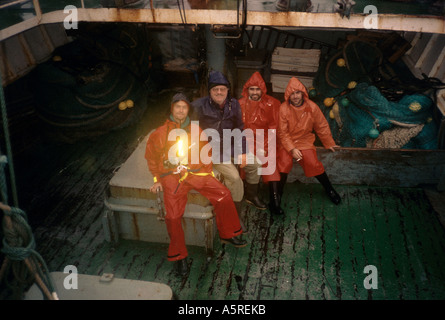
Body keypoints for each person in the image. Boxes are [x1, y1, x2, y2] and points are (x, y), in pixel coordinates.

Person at [145, 92, 247, 276]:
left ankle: (228, 233)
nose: (181, 110)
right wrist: (156, 180)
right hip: (172, 177)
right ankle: (179, 255)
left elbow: (205, 153)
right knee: (173, 216)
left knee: (223, 194)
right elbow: (151, 158)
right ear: (172, 109)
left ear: (187, 111)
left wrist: (207, 171)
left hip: (195, 172)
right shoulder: (159, 134)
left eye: (184, 107)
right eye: (178, 107)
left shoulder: (196, 130)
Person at [191, 71, 266, 218]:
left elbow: (239, 129)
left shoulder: (234, 104)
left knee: (256, 164)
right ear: (210, 91)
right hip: (210, 151)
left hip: (230, 147)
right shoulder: (198, 106)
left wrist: (243, 152)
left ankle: (251, 196)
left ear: (227, 90)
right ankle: (235, 215)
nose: (219, 92)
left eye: (222, 89)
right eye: (215, 89)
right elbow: (190, 132)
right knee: (235, 178)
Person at [277, 77, 341, 205]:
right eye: (292, 93)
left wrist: (329, 143)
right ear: (288, 95)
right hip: (287, 142)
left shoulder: (312, 107)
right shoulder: (283, 108)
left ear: (303, 93)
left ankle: (329, 189)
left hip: (304, 140)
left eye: (298, 93)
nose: (295, 96)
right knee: (283, 164)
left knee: (313, 163)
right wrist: (292, 149)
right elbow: (282, 132)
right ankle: (278, 193)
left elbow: (321, 125)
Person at [238, 71, 285, 215]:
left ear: (262, 90)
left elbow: (273, 128)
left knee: (270, 165)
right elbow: (236, 128)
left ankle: (275, 202)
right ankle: (248, 194)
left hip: (265, 141)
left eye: (257, 89)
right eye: (251, 89)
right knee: (242, 163)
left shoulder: (272, 104)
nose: (254, 92)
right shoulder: (238, 104)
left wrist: (265, 148)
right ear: (247, 90)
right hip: (244, 142)